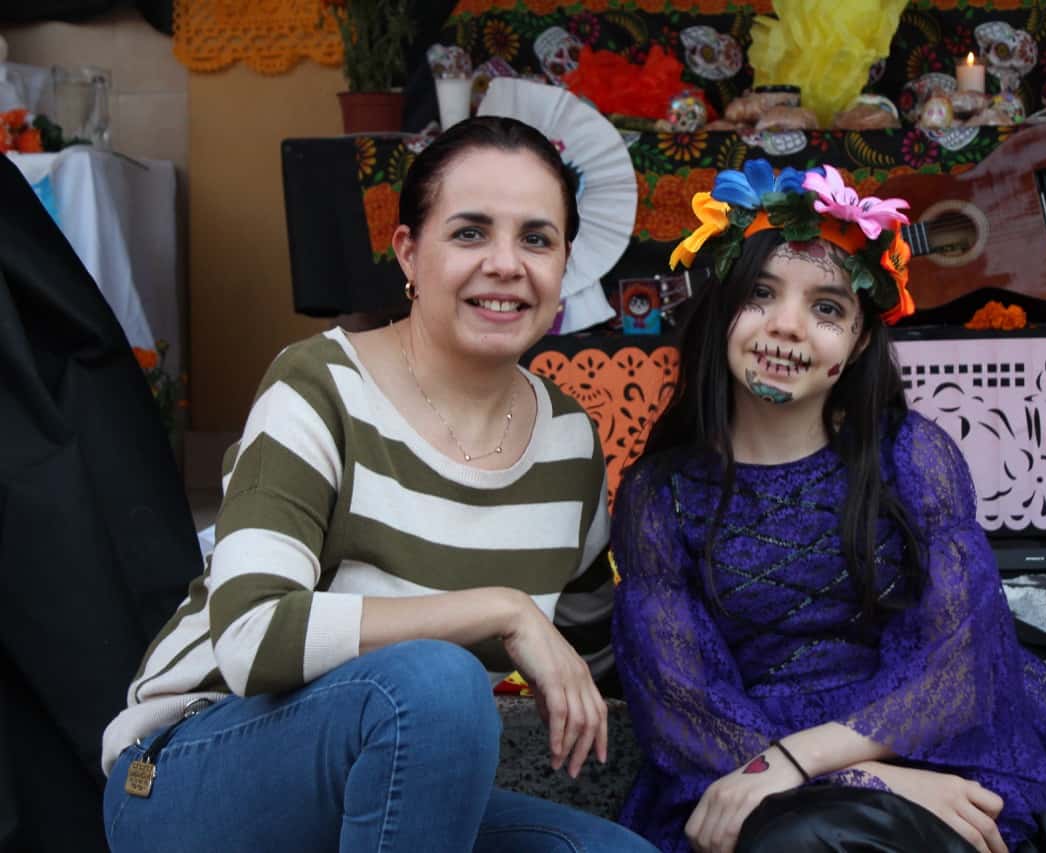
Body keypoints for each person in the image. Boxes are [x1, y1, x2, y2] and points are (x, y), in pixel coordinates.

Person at [100, 116, 658, 853]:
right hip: (192, 772)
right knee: (435, 683)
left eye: (536, 238)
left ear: (563, 267)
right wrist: (501, 608)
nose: (505, 263)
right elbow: (249, 636)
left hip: (393, 774)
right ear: (409, 253)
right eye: (469, 233)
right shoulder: (320, 386)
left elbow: (585, 647)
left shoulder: (567, 440)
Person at [609, 160, 1046, 853]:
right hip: (739, 773)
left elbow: (958, 662)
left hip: (921, 761)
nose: (787, 327)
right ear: (721, 308)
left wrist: (854, 771)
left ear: (859, 342)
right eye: (761, 293)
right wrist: (835, 773)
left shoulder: (910, 457)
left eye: (826, 308)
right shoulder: (658, 496)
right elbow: (680, 706)